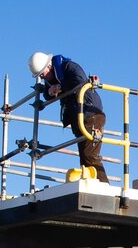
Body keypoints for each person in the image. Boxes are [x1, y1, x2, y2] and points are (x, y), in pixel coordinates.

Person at [29, 52, 106, 182]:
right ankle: (93, 185)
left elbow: (79, 81)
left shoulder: (69, 67)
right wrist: (49, 91)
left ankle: (104, 188)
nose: (43, 78)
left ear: (49, 66)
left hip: (90, 114)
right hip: (79, 118)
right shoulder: (54, 77)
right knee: (85, 158)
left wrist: (60, 87)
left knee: (90, 156)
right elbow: (48, 93)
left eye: (42, 74)